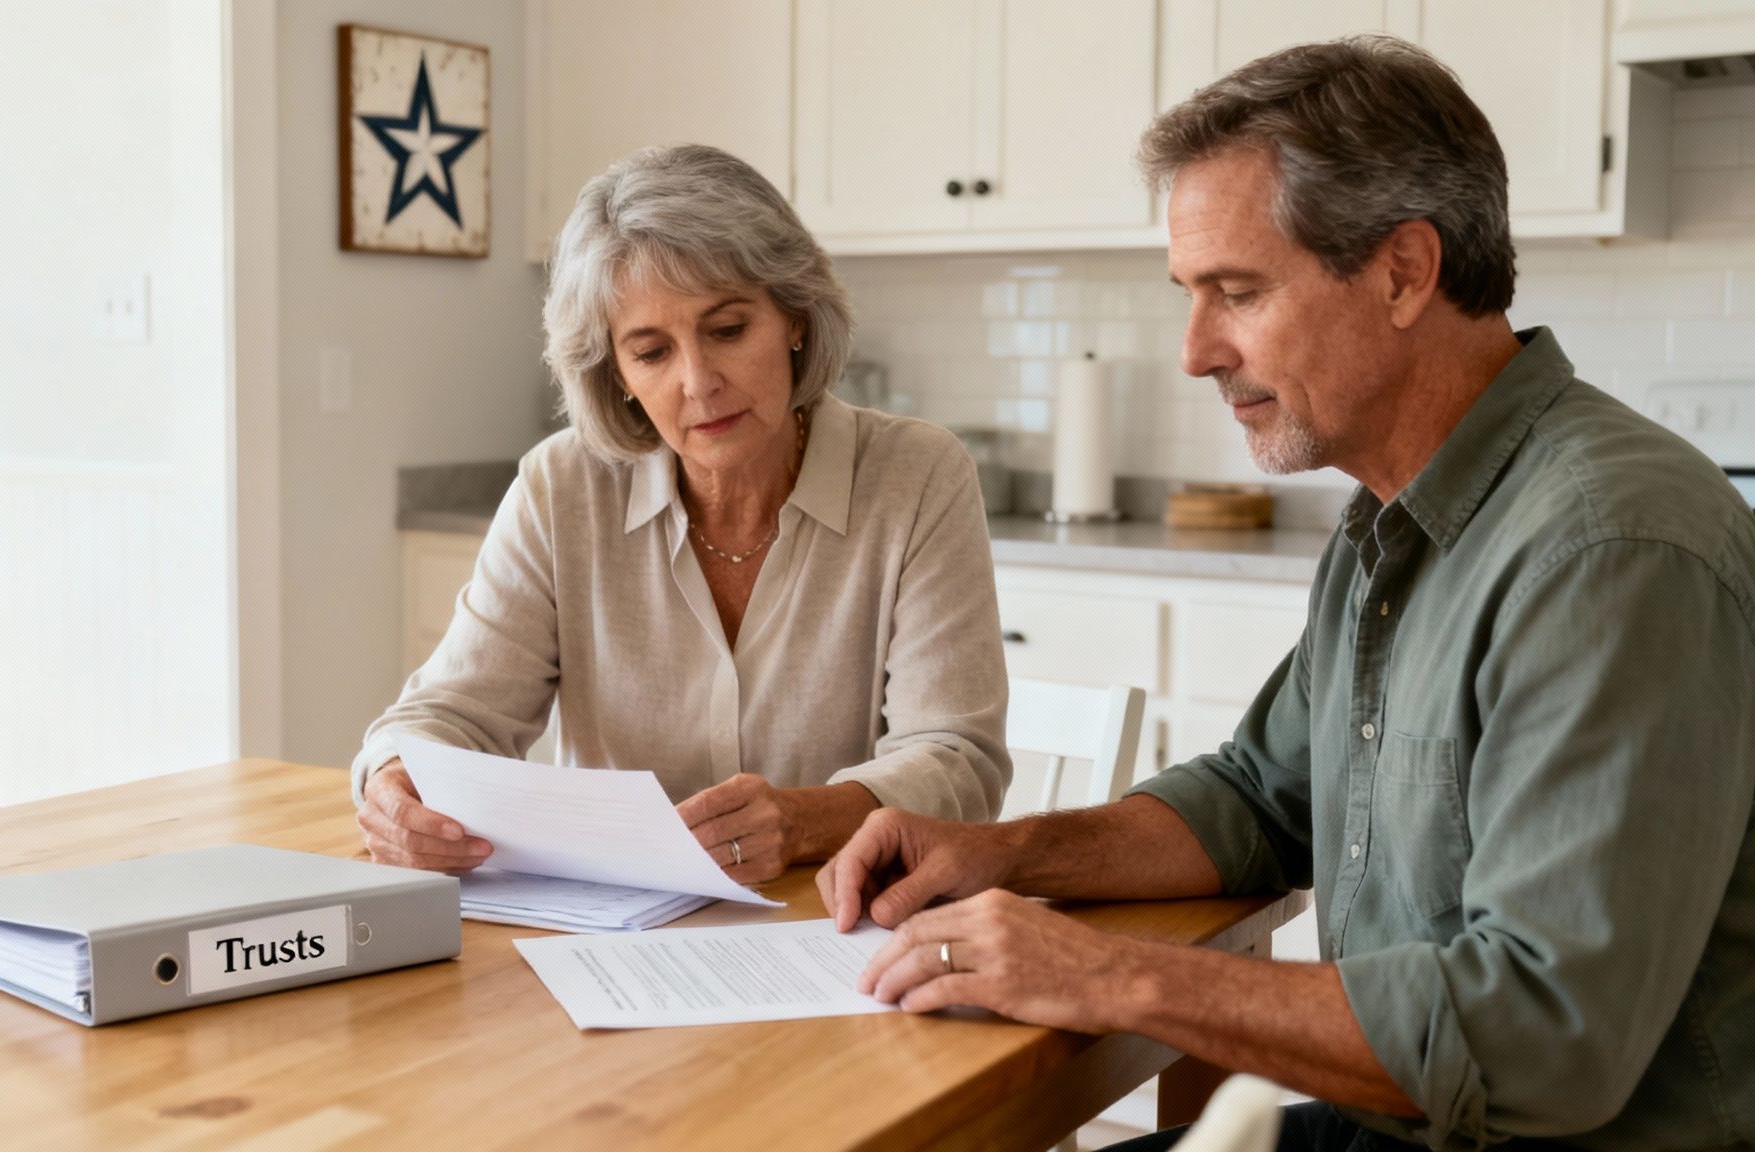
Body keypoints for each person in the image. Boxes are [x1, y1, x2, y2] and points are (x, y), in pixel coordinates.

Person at [819, 36, 1755, 1152]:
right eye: (1189, 295)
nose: (1194, 351)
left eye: (1237, 292)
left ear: (1403, 271)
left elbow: (1543, 1037)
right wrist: (1006, 853)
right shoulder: (1388, 519)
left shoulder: (1607, 553)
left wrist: (1110, 975)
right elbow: (1257, 798)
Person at [354, 144, 1011, 885]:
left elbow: (959, 761)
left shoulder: (917, 475)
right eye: (651, 351)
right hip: (612, 939)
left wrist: (801, 822)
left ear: (794, 316)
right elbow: (452, 713)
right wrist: (396, 784)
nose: (698, 382)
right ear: (618, 374)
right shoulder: (562, 487)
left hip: (839, 924)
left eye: (728, 330)